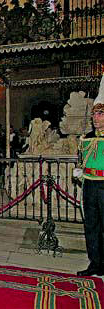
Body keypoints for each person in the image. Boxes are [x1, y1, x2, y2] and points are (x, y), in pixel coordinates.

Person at [75, 75, 104, 277]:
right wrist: (79, 171)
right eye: (94, 115)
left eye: (100, 114)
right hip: (89, 185)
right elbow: (81, 160)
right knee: (91, 225)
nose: (95, 118)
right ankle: (95, 263)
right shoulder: (85, 139)